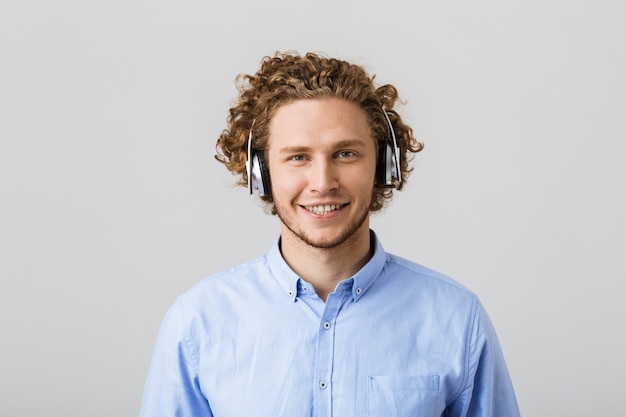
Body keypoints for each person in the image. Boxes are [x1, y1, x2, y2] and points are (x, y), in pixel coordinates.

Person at [139, 51, 521, 417]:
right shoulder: (197, 322)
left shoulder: (456, 319)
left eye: (345, 154)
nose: (322, 183)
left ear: (385, 165)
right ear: (261, 172)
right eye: (298, 156)